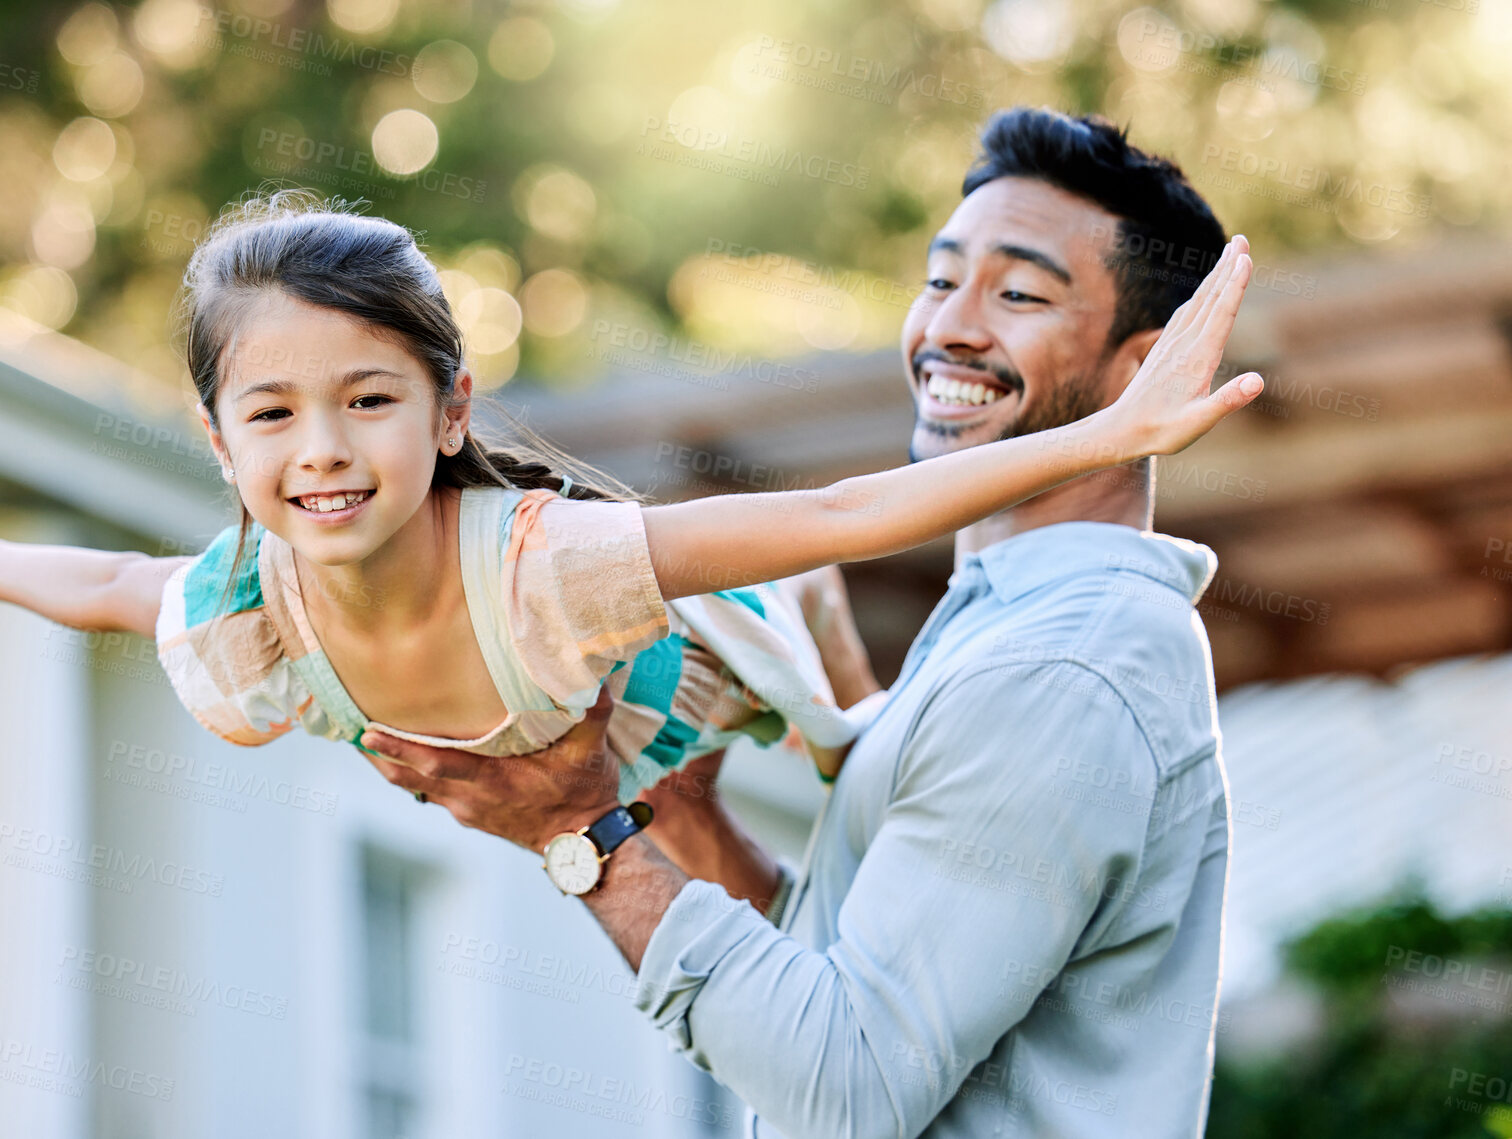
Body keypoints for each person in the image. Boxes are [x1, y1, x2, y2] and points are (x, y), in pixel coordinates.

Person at [0, 175, 1252, 889]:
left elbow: (828, 509)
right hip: (567, 761)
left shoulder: (544, 563)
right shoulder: (248, 605)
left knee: (839, 722)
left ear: (449, 411)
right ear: (219, 445)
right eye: (270, 415)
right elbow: (110, 577)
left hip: (682, 666)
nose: (322, 448)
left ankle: (865, 731)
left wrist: (1102, 436)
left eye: (367, 400)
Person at [357, 107, 1247, 1137]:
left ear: (1143, 374)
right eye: (941, 276)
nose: (949, 324)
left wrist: (577, 827)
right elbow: (856, 994)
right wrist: (684, 818)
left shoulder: (1062, 665)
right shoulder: (1005, 633)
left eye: (1017, 292)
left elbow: (850, 1087)